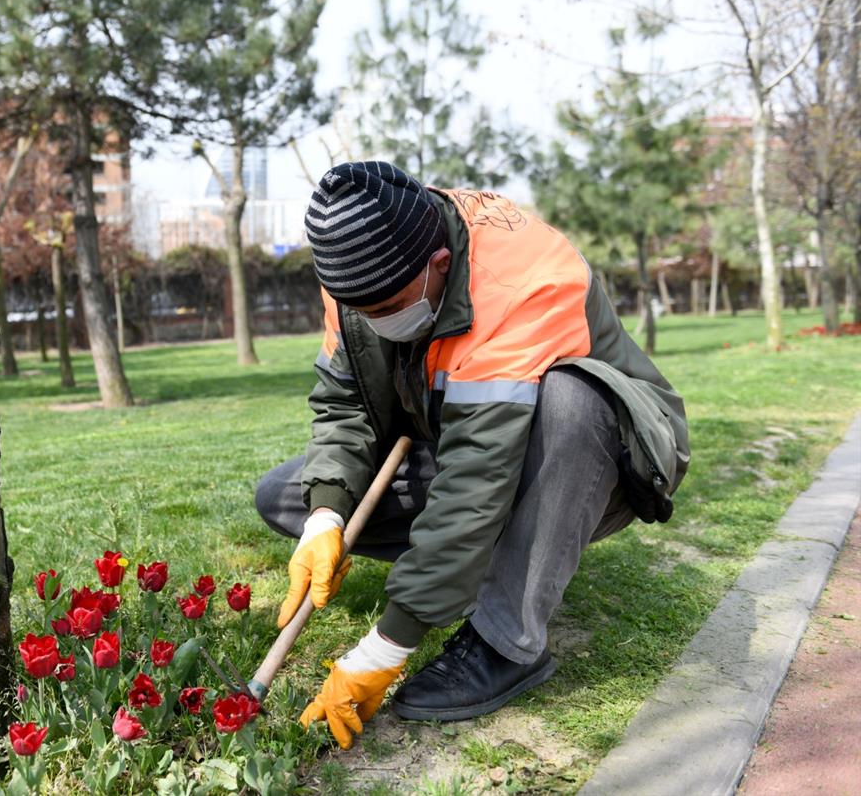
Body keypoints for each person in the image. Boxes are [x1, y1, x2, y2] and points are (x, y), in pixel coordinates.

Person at [255, 161, 688, 749]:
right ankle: (488, 559)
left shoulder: (523, 278)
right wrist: (326, 517)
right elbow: (346, 405)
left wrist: (387, 645)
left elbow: (475, 479)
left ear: (438, 265)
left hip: (598, 460)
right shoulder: (354, 277)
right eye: (365, 313)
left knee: (570, 402)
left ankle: (508, 642)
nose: (379, 325)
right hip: (458, 438)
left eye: (390, 310)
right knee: (287, 495)